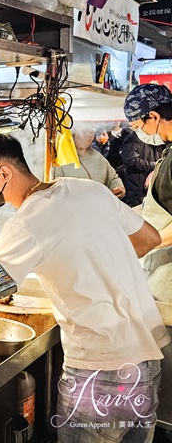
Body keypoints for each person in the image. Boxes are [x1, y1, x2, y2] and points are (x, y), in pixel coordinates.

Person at [0, 129, 166, 442]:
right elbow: (148, 239)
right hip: (148, 360)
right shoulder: (89, 190)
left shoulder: (27, 222)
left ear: (5, 173)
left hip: (100, 372)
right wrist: (100, 265)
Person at [124, 84, 172, 303]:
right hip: (160, 270)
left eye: (137, 126)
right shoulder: (168, 150)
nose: (139, 134)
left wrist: (147, 242)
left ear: (153, 116)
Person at [53, 125, 125, 197]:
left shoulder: (98, 157)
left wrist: (117, 187)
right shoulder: (61, 161)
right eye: (84, 132)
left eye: (91, 132)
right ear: (71, 134)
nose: (90, 136)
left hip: (101, 205)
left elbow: (112, 178)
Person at [121, 119, 164, 207]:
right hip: (137, 185)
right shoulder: (133, 138)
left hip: (152, 184)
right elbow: (130, 160)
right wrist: (154, 165)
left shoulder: (155, 139)